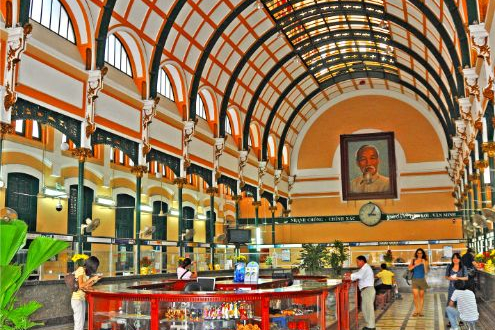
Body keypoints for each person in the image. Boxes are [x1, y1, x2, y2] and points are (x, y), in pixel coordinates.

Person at [345, 255, 376, 330]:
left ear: (362, 261)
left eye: (357, 262)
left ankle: (371, 326)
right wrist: (351, 276)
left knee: (368, 309)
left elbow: (359, 275)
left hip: (368, 290)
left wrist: (350, 275)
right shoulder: (364, 268)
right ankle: (369, 325)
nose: (357, 263)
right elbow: (358, 275)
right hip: (366, 290)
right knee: (365, 308)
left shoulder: (366, 267)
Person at [72, 256, 101, 330]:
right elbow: (81, 285)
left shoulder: (85, 272)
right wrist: (92, 278)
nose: (96, 268)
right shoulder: (80, 269)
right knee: (79, 323)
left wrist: (95, 281)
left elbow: (86, 286)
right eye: (96, 266)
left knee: (81, 322)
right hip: (76, 299)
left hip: (81, 298)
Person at [408, 248, 429, 317]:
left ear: (423, 254)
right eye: (418, 253)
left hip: (422, 279)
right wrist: (416, 264)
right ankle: (416, 310)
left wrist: (424, 263)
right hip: (414, 280)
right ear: (416, 254)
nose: (419, 254)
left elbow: (426, 272)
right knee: (415, 296)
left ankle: (420, 311)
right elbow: (409, 268)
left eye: (421, 253)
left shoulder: (425, 260)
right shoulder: (413, 260)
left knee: (421, 296)